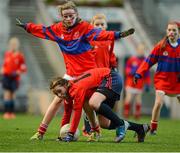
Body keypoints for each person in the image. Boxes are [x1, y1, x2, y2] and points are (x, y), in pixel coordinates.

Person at [16, 0, 134, 140]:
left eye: (71, 15)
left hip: (87, 74)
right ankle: (41, 132)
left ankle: (95, 131)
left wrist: (118, 34)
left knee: (86, 104)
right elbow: (43, 30)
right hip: (71, 73)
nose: (68, 18)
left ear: (76, 14)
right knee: (58, 101)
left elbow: (100, 34)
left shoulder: (84, 27)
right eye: (65, 16)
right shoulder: (58, 29)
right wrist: (27, 27)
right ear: (61, 16)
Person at [50, 68, 150, 142]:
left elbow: (77, 111)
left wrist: (71, 134)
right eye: (56, 93)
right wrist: (62, 134)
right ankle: (140, 128)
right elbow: (67, 113)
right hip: (103, 85)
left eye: (59, 91)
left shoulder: (76, 89)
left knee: (92, 102)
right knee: (104, 123)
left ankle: (120, 125)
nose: (59, 95)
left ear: (65, 85)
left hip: (111, 77)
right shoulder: (67, 94)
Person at [134, 21, 180, 135]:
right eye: (169, 30)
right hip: (162, 79)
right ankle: (153, 127)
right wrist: (138, 73)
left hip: (177, 81)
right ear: (166, 31)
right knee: (159, 103)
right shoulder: (161, 46)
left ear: (179, 32)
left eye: (174, 30)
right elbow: (149, 61)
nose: (171, 32)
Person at [82, 13, 119, 136]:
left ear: (106, 26)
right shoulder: (89, 40)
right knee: (88, 102)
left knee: (101, 109)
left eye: (102, 24)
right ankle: (88, 129)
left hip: (106, 77)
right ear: (92, 26)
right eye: (96, 24)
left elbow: (111, 56)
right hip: (92, 76)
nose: (99, 26)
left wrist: (114, 67)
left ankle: (121, 124)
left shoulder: (110, 39)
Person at [0, 37, 27, 119]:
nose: (13, 46)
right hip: (6, 77)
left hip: (15, 78)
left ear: (17, 45)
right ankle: (7, 113)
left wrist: (19, 71)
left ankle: (11, 113)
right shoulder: (7, 54)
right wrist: (2, 70)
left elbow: (23, 67)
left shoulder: (20, 56)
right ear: (9, 45)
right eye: (12, 44)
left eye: (15, 44)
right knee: (7, 94)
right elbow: (5, 65)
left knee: (12, 95)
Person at [124, 43, 151, 119]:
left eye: (142, 50)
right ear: (137, 50)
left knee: (138, 100)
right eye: (139, 49)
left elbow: (147, 74)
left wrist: (148, 84)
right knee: (128, 99)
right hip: (130, 83)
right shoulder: (132, 59)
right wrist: (131, 71)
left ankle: (137, 114)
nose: (141, 51)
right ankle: (126, 113)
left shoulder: (146, 61)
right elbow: (126, 70)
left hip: (139, 84)